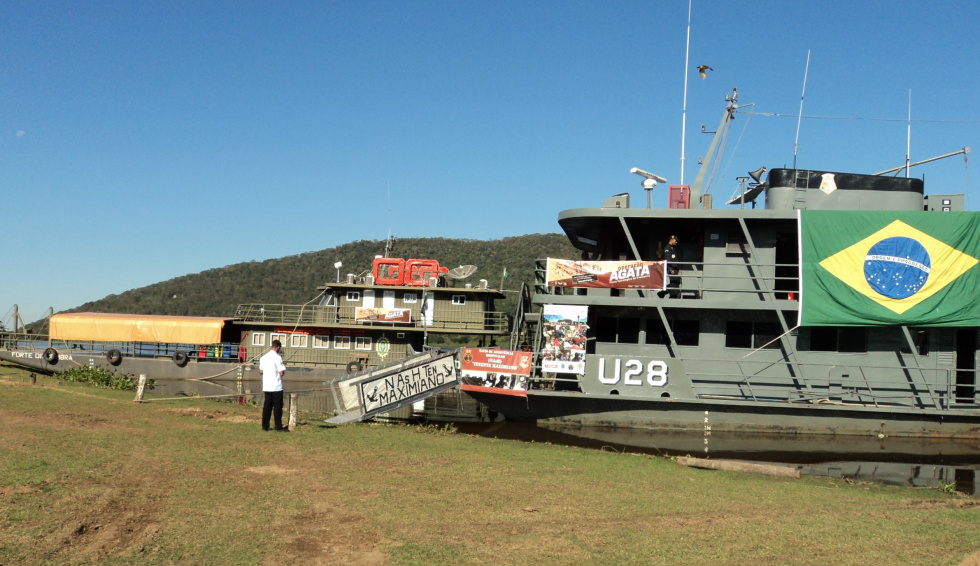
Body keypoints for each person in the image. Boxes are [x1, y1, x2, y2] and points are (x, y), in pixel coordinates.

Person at [260, 339, 288, 432]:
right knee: (277, 407)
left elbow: (261, 371)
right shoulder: (278, 358)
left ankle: (265, 426)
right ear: (278, 347)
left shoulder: (263, 357)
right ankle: (278, 426)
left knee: (267, 406)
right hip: (276, 386)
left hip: (267, 385)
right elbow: (281, 373)